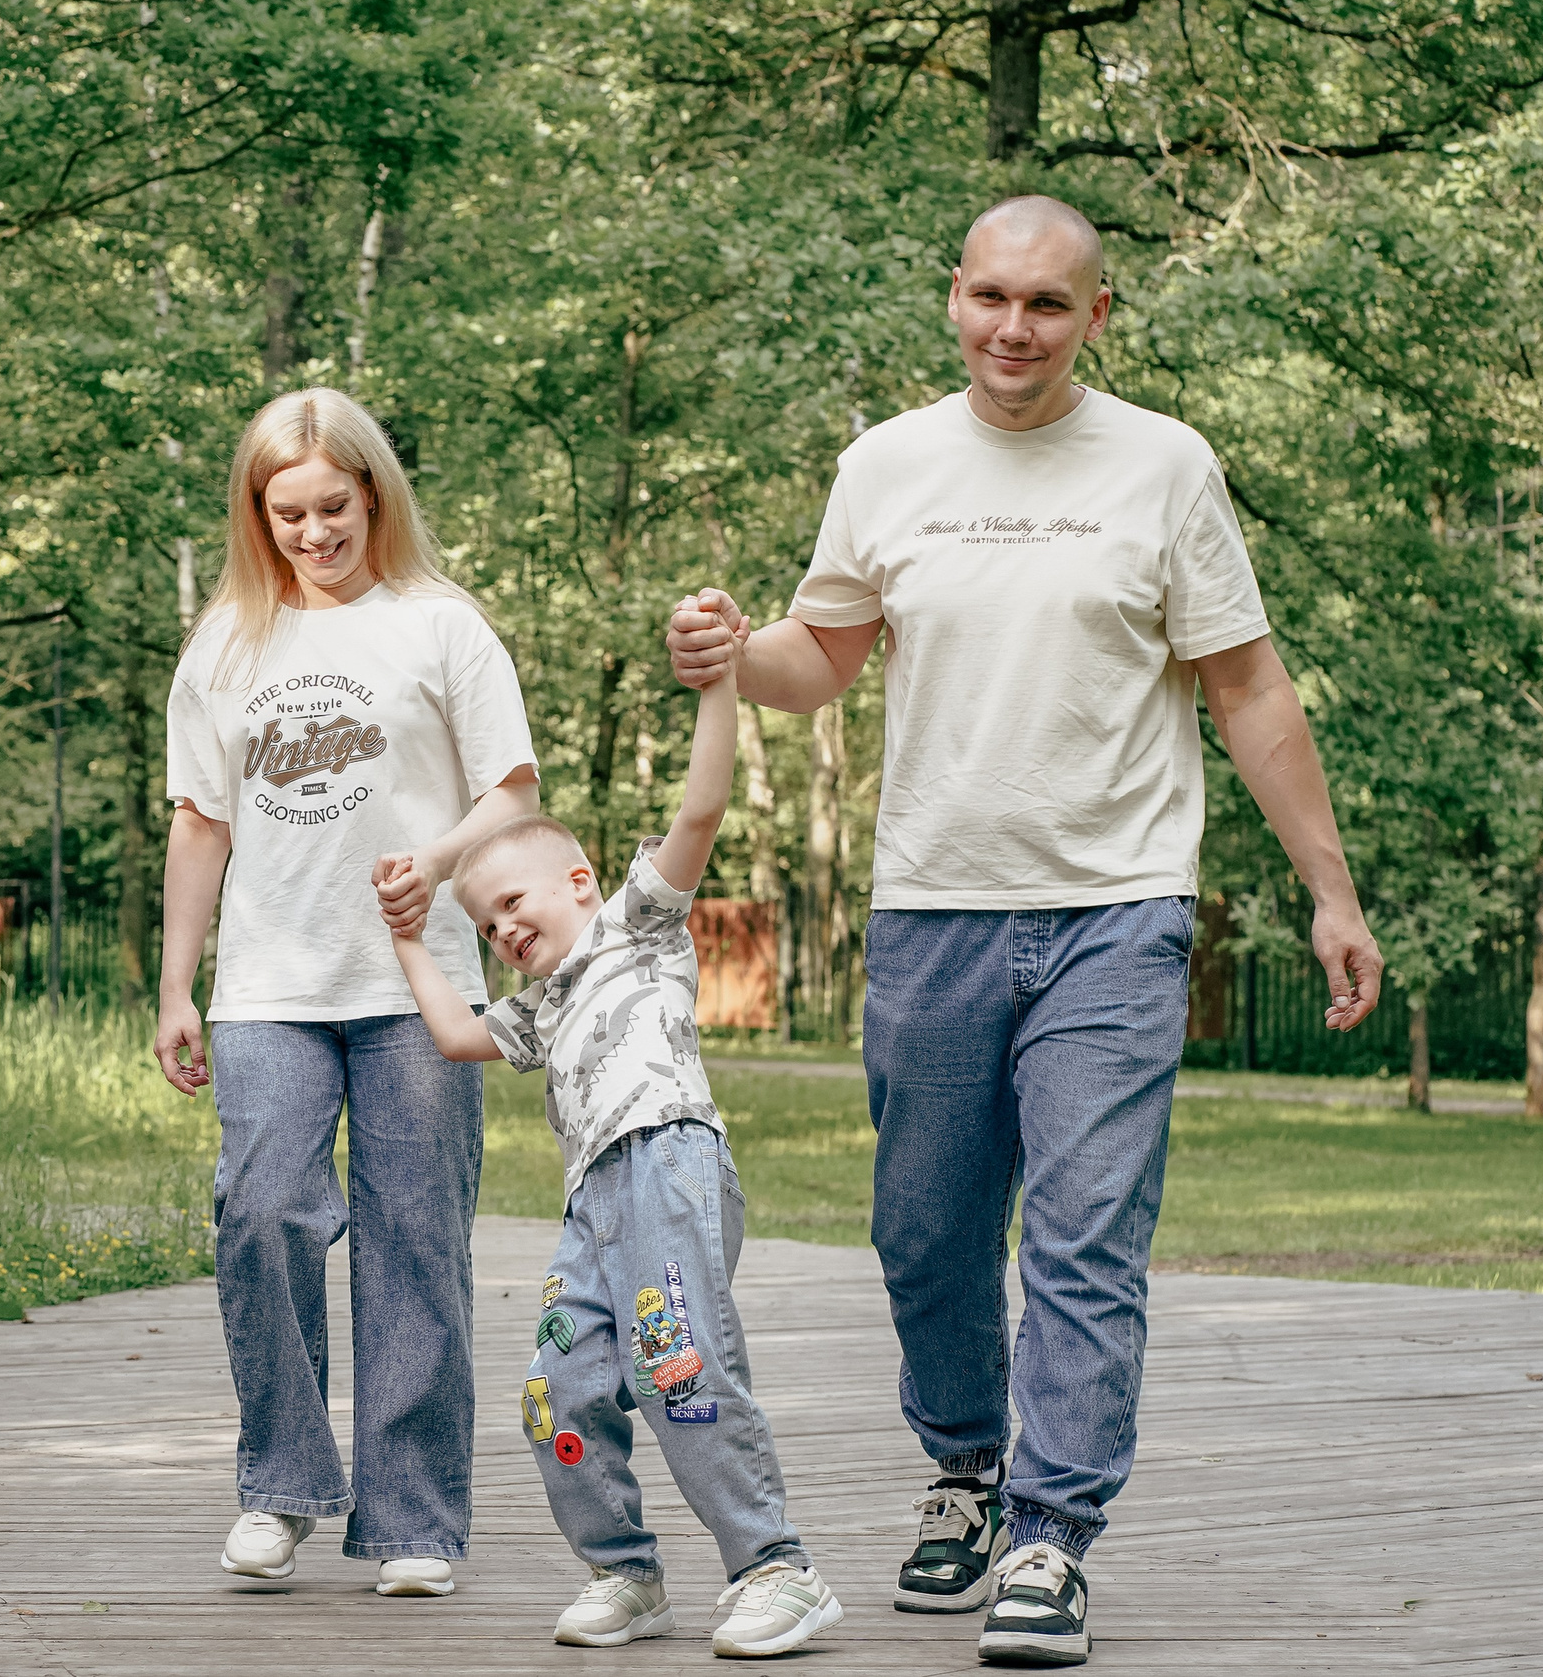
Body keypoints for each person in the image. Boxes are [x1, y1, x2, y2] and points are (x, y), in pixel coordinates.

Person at [669, 195, 1383, 1668]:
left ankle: (1053, 1535)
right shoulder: (888, 465)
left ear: (1098, 316)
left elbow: (1248, 687)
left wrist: (1331, 886)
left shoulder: (1166, 466)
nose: (1015, 328)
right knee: (924, 1231)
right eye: (991, 296)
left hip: (1118, 909)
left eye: (1049, 304)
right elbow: (823, 659)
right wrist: (735, 654)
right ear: (953, 298)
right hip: (935, 907)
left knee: (1083, 1233)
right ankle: (969, 1464)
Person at [381, 650, 844, 1658]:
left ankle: (777, 1568)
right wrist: (414, 939)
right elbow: (459, 1037)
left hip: (668, 1162)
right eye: (486, 922)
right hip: (592, 1202)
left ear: (579, 882)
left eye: (514, 903)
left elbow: (699, 813)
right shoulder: (536, 1007)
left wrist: (718, 688)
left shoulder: (638, 927)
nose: (503, 927)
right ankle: (625, 1573)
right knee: (557, 1392)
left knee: (679, 1369)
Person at [160, 386, 541, 1597]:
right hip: (268, 982)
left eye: (335, 507)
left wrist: (435, 862)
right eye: (288, 515)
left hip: (417, 985)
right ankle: (281, 1488)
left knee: (415, 1241)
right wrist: (176, 982)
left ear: (373, 494)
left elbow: (514, 794)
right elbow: (200, 823)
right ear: (255, 516)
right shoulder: (227, 640)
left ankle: (414, 1520)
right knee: (263, 1212)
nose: (315, 534)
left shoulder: (440, 624)